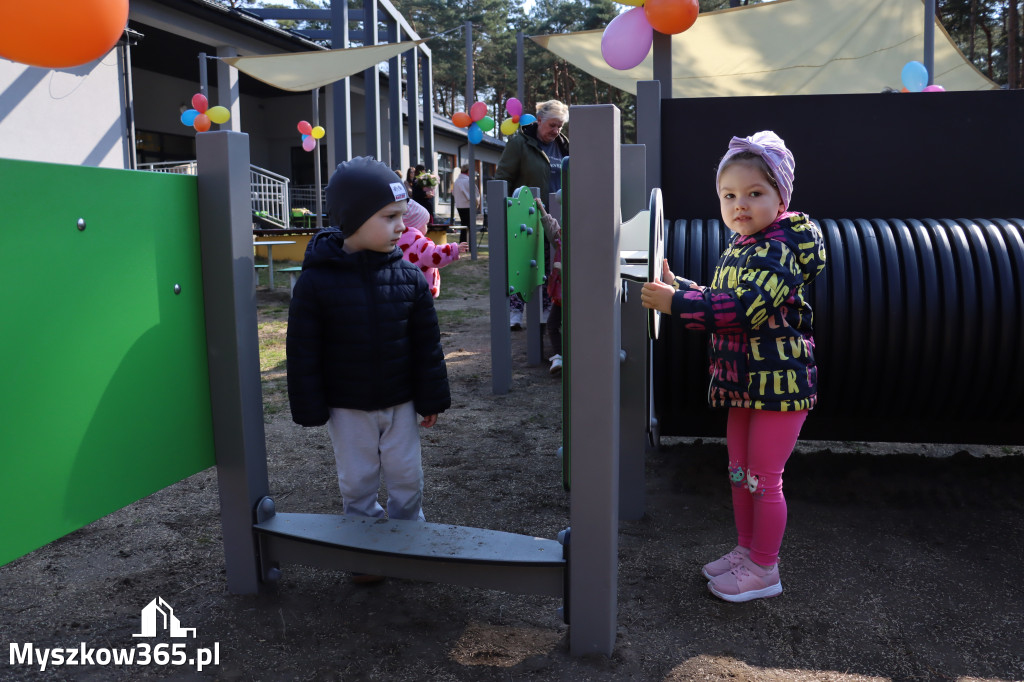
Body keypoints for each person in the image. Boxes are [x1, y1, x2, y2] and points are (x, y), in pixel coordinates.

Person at [640, 131, 826, 603]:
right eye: (729, 196)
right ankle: (747, 551)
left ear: (780, 196)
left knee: (764, 478)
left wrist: (676, 304)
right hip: (743, 381)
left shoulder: (779, 247)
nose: (739, 205)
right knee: (740, 472)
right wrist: (679, 287)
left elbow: (745, 308)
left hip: (779, 384)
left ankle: (765, 568)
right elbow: (719, 297)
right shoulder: (743, 244)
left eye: (754, 193)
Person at [287, 157, 451, 579]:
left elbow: (425, 344)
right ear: (354, 220)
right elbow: (303, 349)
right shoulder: (316, 282)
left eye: (402, 215)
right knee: (357, 481)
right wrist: (310, 405)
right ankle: (363, 548)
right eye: (390, 217)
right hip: (348, 406)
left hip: (400, 402)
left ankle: (408, 538)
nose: (402, 226)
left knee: (406, 476)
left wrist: (430, 396)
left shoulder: (409, 279)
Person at [495, 99, 569, 337]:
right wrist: (505, 212)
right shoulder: (520, 144)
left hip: (556, 215)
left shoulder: (565, 146)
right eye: (552, 125)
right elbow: (503, 177)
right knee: (522, 262)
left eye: (560, 126)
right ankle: (515, 310)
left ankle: (549, 307)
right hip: (526, 213)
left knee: (552, 262)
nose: (556, 131)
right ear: (539, 121)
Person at [398, 198, 467, 298]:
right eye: (425, 224)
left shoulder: (396, 241)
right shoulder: (421, 242)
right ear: (416, 225)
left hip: (403, 288)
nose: (427, 227)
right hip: (422, 289)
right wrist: (452, 249)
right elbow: (433, 255)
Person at [537, 196, 563, 374]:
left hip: (574, 294)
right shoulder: (561, 239)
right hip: (561, 294)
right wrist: (541, 208)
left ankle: (564, 355)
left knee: (557, 324)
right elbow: (551, 227)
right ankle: (559, 356)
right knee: (552, 324)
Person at [452, 164, 478, 244]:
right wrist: (477, 204)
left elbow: (453, 193)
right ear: (468, 171)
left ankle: (463, 243)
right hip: (469, 206)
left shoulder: (456, 181)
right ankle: (469, 245)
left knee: (464, 226)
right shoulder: (468, 181)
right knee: (470, 227)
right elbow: (475, 195)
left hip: (460, 206)